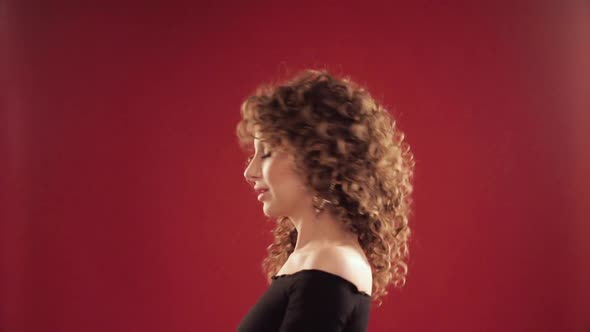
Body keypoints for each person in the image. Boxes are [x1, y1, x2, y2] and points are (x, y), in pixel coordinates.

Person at [235, 69, 415, 332]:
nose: (249, 171)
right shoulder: (315, 260)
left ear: (317, 159)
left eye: (268, 152)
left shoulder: (330, 263)